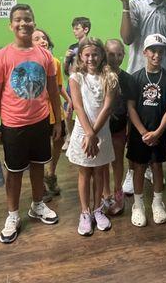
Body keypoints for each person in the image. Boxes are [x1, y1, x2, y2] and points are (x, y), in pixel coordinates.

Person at [0, 4, 62, 244]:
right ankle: (12, 215)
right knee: (15, 172)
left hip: (40, 121)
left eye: (27, 19)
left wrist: (58, 121)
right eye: (18, 20)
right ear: (11, 25)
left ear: (34, 22)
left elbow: (53, 89)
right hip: (13, 124)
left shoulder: (45, 55)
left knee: (39, 165)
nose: (23, 23)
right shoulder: (2, 56)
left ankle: (37, 205)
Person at [65, 37, 118, 236]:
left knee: (99, 172)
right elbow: (78, 106)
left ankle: (98, 209)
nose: (91, 58)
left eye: (95, 54)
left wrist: (94, 134)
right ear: (80, 56)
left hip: (100, 132)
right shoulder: (76, 77)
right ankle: (85, 212)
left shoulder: (110, 76)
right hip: (83, 132)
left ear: (101, 55)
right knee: (85, 173)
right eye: (87, 54)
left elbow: (107, 107)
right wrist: (88, 134)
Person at [127, 34, 166, 227]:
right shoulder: (135, 78)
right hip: (139, 133)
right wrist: (142, 132)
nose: (157, 55)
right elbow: (131, 107)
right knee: (139, 167)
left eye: (161, 51)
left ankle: (157, 202)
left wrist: (157, 132)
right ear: (145, 52)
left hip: (159, 132)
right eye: (153, 51)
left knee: (157, 166)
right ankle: (138, 205)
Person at [32, 28, 71, 200]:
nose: (43, 41)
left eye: (44, 38)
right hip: (38, 113)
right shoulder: (30, 63)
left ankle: (51, 173)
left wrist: (69, 100)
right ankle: (39, 183)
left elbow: (59, 87)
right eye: (37, 38)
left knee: (58, 141)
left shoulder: (55, 61)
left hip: (55, 112)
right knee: (38, 149)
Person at [102, 38, 132, 215]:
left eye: (119, 54)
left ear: (124, 55)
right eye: (111, 54)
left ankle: (117, 190)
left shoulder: (127, 79)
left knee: (117, 160)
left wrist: (129, 128)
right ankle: (105, 193)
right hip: (101, 126)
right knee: (103, 161)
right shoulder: (99, 75)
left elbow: (130, 106)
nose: (115, 58)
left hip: (119, 126)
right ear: (105, 54)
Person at [62, 16, 91, 151]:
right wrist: (67, 59)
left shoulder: (91, 45)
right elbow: (66, 71)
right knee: (68, 110)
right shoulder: (72, 47)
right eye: (73, 28)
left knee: (85, 108)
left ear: (86, 29)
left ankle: (87, 133)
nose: (74, 31)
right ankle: (69, 136)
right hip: (72, 80)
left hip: (86, 81)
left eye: (77, 28)